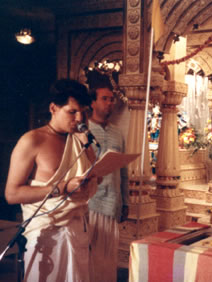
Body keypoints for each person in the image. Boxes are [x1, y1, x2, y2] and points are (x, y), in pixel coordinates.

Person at [5, 78, 98, 281]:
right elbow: (12, 194)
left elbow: (93, 178)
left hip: (77, 229)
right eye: (72, 112)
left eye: (84, 111)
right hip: (46, 233)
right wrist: (62, 188)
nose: (79, 118)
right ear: (53, 108)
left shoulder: (80, 140)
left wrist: (86, 145)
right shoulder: (32, 140)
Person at [87, 81, 129, 282]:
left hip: (112, 203)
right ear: (92, 103)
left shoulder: (117, 133)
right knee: (86, 258)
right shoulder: (83, 131)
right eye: (105, 99)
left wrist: (126, 202)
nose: (110, 103)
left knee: (107, 259)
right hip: (88, 204)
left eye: (112, 99)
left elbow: (123, 171)